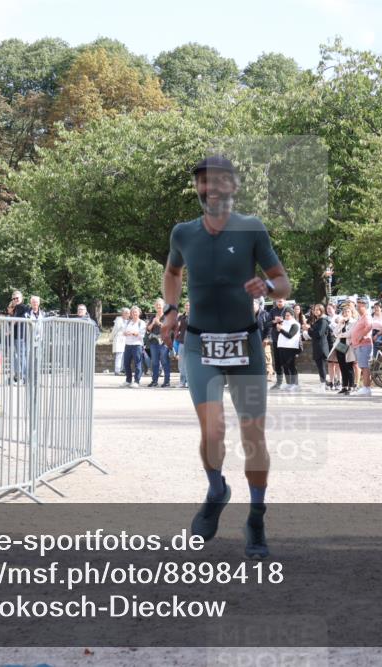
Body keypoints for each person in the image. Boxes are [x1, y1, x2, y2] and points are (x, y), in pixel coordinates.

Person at [159, 154, 290, 560]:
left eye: (218, 181)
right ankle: (217, 489)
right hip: (200, 345)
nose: (210, 188)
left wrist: (267, 288)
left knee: (253, 436)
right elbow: (172, 273)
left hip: (244, 345)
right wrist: (170, 310)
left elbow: (283, 282)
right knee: (212, 431)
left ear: (232, 186)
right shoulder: (183, 233)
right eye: (203, 182)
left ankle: (256, 517)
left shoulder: (251, 229)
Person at [350, 298, 374, 396]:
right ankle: (365, 387)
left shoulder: (367, 316)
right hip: (359, 345)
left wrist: (361, 335)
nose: (358, 307)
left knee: (365, 366)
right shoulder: (361, 317)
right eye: (357, 305)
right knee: (363, 366)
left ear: (364, 306)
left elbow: (369, 326)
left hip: (364, 345)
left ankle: (366, 388)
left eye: (360, 305)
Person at [333, 301, 356, 395]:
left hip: (348, 345)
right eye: (344, 312)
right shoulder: (342, 322)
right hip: (340, 345)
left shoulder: (353, 322)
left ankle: (351, 386)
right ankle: (344, 386)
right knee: (342, 366)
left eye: (348, 312)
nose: (346, 313)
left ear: (351, 313)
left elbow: (349, 334)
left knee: (349, 367)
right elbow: (335, 333)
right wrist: (339, 324)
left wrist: (341, 335)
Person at [275, 308, 301, 391]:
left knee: (291, 366)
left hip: (290, 347)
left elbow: (290, 335)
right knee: (285, 365)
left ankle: (295, 384)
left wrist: (280, 330)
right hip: (282, 346)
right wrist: (279, 328)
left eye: (288, 315)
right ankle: (288, 383)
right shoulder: (283, 323)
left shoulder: (295, 324)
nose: (286, 317)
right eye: (285, 315)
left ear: (292, 315)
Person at [308, 303, 331, 391]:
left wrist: (309, 329)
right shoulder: (317, 320)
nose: (316, 311)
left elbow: (318, 334)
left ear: (322, 310)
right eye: (315, 309)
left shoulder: (323, 321)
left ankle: (323, 385)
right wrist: (309, 329)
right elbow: (313, 334)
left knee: (321, 367)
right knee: (319, 367)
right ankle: (323, 384)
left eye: (318, 309)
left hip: (321, 347)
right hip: (317, 346)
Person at [121, 306, 146, 387]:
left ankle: (136, 381)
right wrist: (126, 333)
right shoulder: (128, 322)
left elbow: (142, 335)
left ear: (139, 313)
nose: (134, 313)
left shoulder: (141, 323)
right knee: (126, 363)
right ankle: (128, 380)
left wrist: (134, 333)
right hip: (128, 345)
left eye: (136, 312)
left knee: (137, 363)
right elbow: (123, 332)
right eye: (132, 312)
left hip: (137, 345)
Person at [267, 297, 287, 389]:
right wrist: (275, 321)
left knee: (287, 361)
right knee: (278, 361)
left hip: (286, 339)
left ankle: (290, 383)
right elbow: (267, 324)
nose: (279, 303)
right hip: (276, 339)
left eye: (281, 301)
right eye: (278, 301)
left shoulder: (288, 309)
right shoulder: (272, 311)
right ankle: (279, 382)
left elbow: (292, 322)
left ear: (284, 301)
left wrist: (282, 320)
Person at [325, 302, 341, 390]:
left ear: (334, 309)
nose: (328, 310)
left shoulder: (339, 317)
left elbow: (340, 329)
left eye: (330, 308)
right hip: (328, 342)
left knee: (338, 363)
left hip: (338, 342)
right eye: (327, 309)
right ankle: (331, 382)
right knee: (330, 363)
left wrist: (333, 324)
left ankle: (339, 381)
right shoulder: (325, 318)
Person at [111, 308, 130, 375]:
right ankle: (117, 370)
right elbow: (114, 330)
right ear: (123, 313)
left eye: (128, 313)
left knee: (123, 355)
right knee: (119, 354)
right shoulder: (119, 320)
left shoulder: (128, 321)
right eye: (126, 313)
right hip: (119, 339)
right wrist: (111, 338)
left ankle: (122, 369)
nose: (128, 314)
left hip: (126, 340)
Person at [176, 303, 190, 388]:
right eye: (186, 306)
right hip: (182, 342)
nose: (187, 307)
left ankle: (189, 381)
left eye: (189, 305)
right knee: (181, 364)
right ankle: (182, 382)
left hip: (191, 343)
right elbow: (177, 328)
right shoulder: (181, 317)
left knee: (189, 363)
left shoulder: (195, 316)